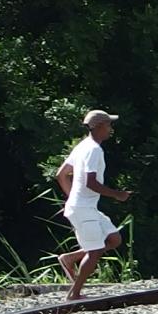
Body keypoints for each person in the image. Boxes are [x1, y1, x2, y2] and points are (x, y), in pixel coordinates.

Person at [55, 110, 132, 300]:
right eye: (108, 125)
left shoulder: (82, 146)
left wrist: (72, 197)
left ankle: (70, 259)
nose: (110, 129)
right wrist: (117, 195)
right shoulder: (94, 150)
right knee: (95, 251)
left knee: (114, 239)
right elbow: (90, 182)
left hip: (85, 207)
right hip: (83, 209)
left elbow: (61, 175)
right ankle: (75, 294)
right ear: (98, 127)